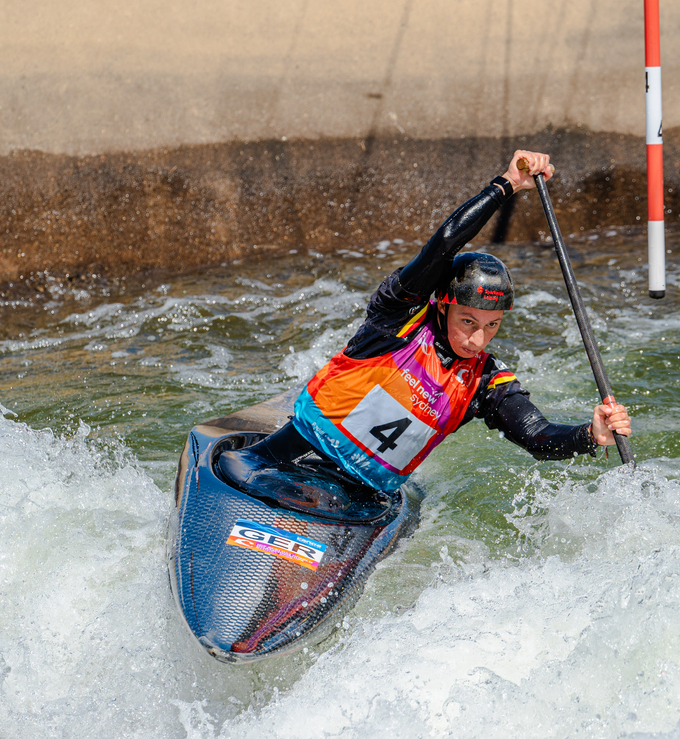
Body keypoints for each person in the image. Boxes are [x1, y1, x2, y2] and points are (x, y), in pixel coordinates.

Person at [218, 150, 632, 495]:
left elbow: (538, 436)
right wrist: (505, 185)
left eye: (492, 326)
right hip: (280, 459)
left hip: (360, 502)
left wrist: (589, 435)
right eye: (468, 320)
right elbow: (445, 243)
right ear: (442, 305)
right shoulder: (398, 317)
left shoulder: (483, 382)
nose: (477, 339)